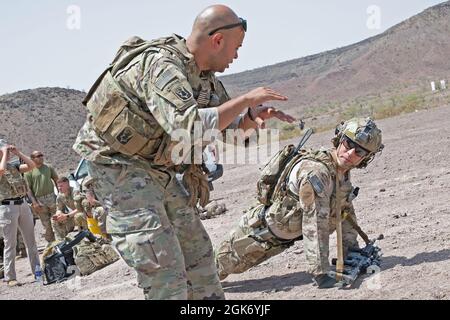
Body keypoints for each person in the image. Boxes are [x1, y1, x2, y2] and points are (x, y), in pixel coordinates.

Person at [73, 4, 295, 300]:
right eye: (236, 48)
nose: (237, 56)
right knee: (163, 266)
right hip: (118, 167)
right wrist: (245, 99)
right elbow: (189, 128)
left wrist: (251, 119)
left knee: (199, 257)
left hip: (157, 169)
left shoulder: (206, 81)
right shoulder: (162, 66)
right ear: (217, 40)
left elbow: (226, 131)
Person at [215, 118, 384, 288]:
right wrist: (321, 273)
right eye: (348, 143)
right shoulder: (317, 173)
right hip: (256, 235)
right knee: (207, 271)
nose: (349, 153)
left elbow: (344, 211)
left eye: (359, 152)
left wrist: (351, 251)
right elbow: (314, 222)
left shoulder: (340, 172)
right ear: (339, 139)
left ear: (366, 158)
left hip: (278, 240)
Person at [0, 140, 41, 287]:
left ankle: (37, 272)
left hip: (22, 204)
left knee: (31, 241)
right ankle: (10, 277)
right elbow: (1, 171)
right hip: (7, 207)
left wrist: (18, 153)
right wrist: (4, 152)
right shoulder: (3, 167)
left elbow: (32, 166)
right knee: (10, 243)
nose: (7, 153)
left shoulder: (14, 166)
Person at [24, 151, 58, 244]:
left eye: (41, 155)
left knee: (57, 220)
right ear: (32, 159)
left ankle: (61, 240)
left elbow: (56, 180)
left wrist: (59, 195)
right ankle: (52, 244)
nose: (41, 157)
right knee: (46, 225)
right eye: (38, 156)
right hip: (39, 200)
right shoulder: (29, 171)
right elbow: (28, 189)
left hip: (51, 197)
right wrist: (34, 202)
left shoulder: (48, 167)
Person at [78, 176, 109, 240]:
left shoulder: (108, 176)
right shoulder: (88, 180)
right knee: (102, 211)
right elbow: (92, 201)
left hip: (107, 204)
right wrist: (107, 205)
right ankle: (105, 236)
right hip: (93, 208)